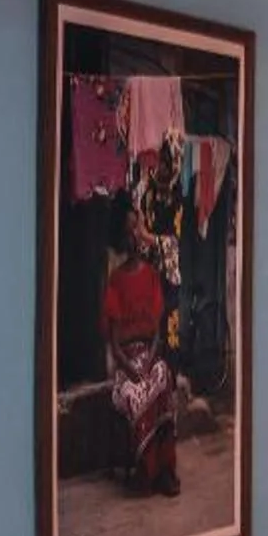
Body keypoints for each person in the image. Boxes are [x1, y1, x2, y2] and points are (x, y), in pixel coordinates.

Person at [101, 177, 184, 497]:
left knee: (163, 377)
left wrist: (150, 359)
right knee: (135, 392)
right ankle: (144, 469)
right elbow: (114, 341)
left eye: (138, 229)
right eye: (129, 231)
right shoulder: (116, 280)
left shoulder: (151, 277)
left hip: (148, 356)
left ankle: (165, 470)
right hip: (127, 363)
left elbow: (157, 333)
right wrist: (131, 367)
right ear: (122, 237)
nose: (135, 236)